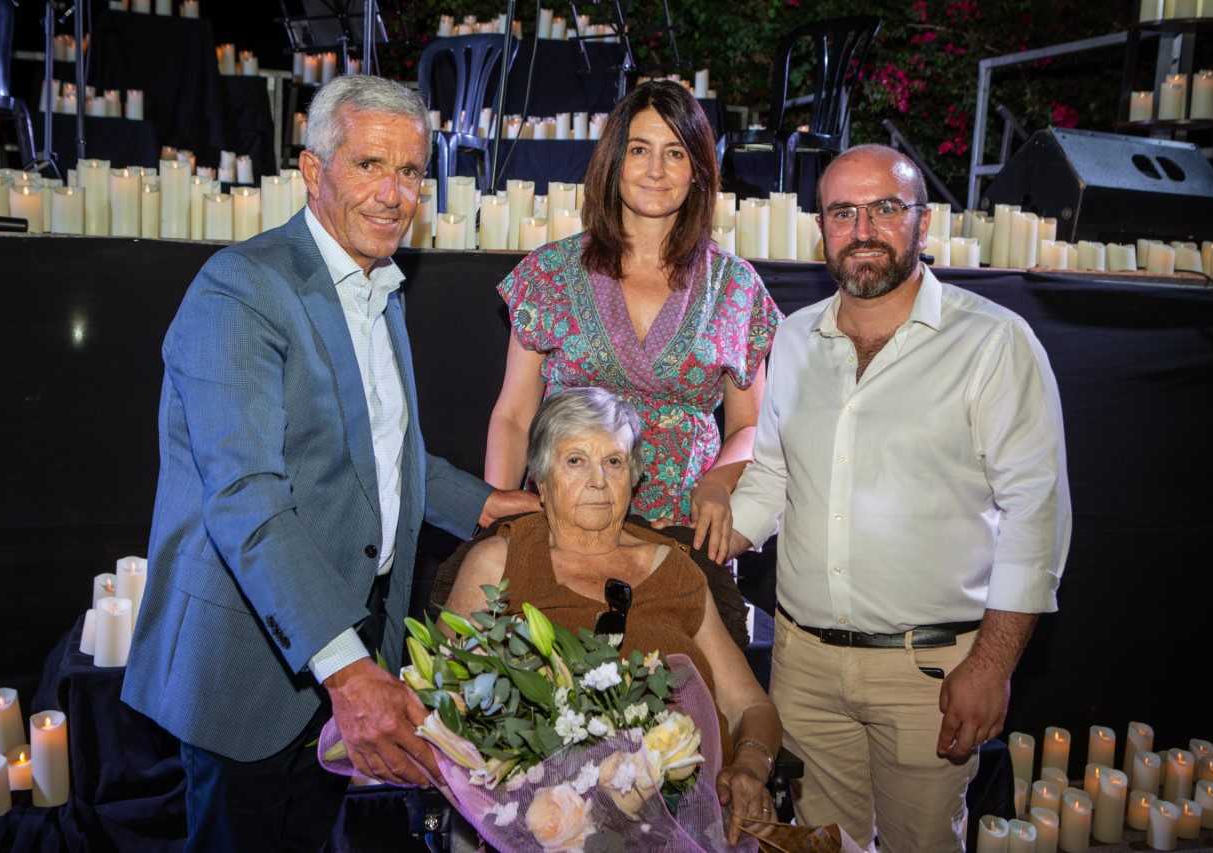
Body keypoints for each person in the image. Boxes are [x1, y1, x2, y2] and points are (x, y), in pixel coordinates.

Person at [121, 75, 538, 851]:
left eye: (409, 171)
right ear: (313, 171)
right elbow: (246, 496)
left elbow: (380, 447)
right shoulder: (241, 290)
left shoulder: (378, 283)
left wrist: (482, 504)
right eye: (369, 165)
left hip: (346, 637)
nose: (393, 193)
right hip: (253, 660)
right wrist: (347, 671)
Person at [720, 145, 1072, 851]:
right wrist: (686, 542)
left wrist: (991, 664)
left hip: (930, 674)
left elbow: (1036, 513)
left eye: (884, 208)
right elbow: (773, 478)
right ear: (821, 228)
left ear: (923, 221)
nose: (863, 230)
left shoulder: (994, 344)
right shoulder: (795, 338)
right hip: (805, 670)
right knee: (821, 843)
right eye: (842, 212)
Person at [448, 387, 783, 846]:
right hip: (545, 826)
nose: (598, 481)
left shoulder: (676, 570)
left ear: (634, 477)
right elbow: (446, 707)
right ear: (540, 480)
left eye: (614, 462)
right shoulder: (499, 563)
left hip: (687, 818)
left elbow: (749, 705)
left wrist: (750, 765)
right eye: (575, 461)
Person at [485, 81, 781, 561]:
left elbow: (748, 426)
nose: (656, 170)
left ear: (698, 170)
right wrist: (499, 515)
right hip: (565, 527)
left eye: (675, 153)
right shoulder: (549, 272)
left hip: (681, 532)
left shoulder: (735, 285)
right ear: (614, 161)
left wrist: (719, 483)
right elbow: (515, 415)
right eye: (640, 150)